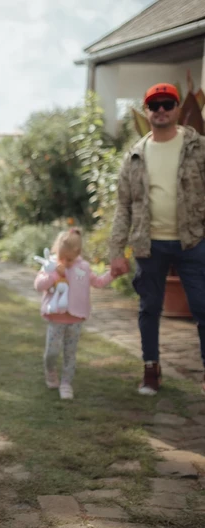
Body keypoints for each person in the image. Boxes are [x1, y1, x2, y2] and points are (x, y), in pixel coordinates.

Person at [109, 82, 205, 396]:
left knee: (202, 307)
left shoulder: (198, 147)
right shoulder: (135, 154)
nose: (161, 110)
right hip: (148, 245)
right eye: (154, 105)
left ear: (178, 108)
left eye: (167, 104)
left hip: (193, 241)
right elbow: (123, 204)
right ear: (147, 111)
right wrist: (116, 250)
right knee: (149, 308)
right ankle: (151, 369)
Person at [34, 228, 114, 400]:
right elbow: (39, 285)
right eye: (62, 257)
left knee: (70, 353)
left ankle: (66, 384)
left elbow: (98, 282)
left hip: (75, 318)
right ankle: (50, 371)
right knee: (51, 353)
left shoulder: (83, 267)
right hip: (56, 317)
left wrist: (112, 274)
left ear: (77, 253)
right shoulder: (51, 264)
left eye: (69, 259)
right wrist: (55, 273)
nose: (65, 262)